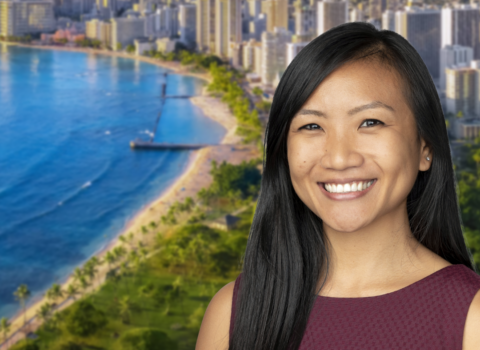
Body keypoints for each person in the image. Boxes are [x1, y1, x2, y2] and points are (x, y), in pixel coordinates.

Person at [195, 22, 480, 350]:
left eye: (370, 122)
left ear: (425, 148)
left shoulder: (470, 318)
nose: (340, 157)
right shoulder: (232, 312)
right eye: (312, 125)